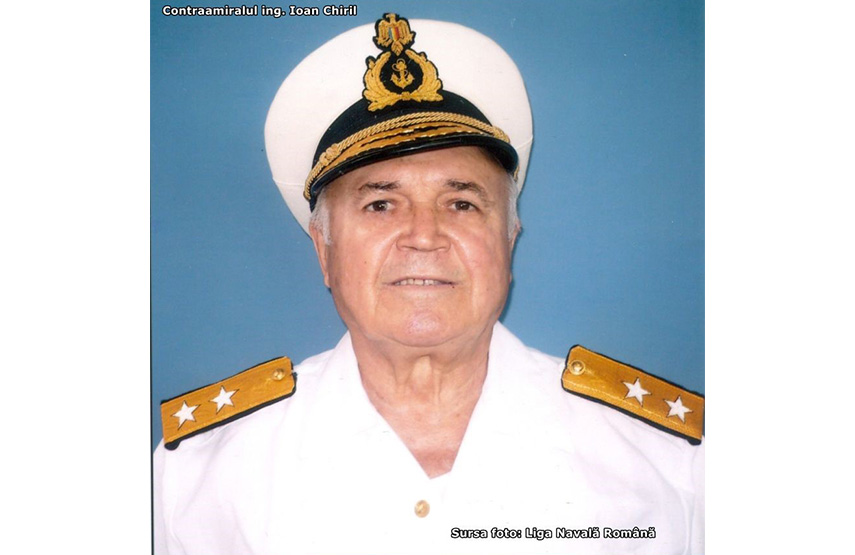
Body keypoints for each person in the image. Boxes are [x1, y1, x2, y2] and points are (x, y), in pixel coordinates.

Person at [154, 13, 704, 555]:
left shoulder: (667, 466)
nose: (424, 236)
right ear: (324, 251)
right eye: (380, 204)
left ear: (508, 241)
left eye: (461, 203)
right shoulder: (200, 478)